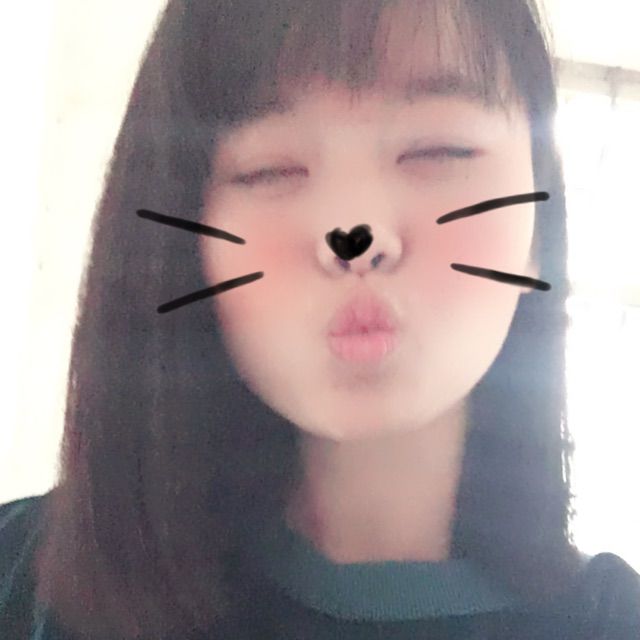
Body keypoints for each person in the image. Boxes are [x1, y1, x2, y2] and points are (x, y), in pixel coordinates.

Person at [1, 0, 639, 639]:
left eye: (439, 150)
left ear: (538, 222)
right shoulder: (22, 578)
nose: (356, 235)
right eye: (270, 169)